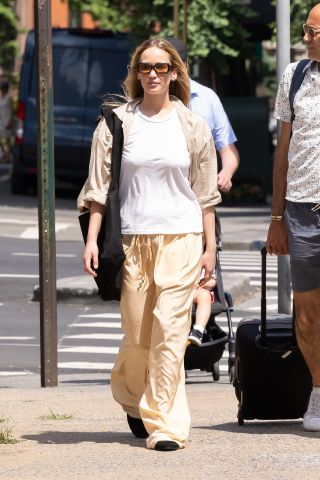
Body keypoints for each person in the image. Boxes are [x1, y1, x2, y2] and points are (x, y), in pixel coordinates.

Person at [77, 38, 221, 451]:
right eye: (145, 67)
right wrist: (92, 241)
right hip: (132, 240)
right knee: (138, 334)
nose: (153, 74)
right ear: (136, 73)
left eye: (161, 67)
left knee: (170, 331)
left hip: (183, 236)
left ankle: (166, 426)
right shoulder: (116, 123)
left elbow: (205, 194)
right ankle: (135, 396)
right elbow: (99, 189)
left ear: (175, 72)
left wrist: (210, 249)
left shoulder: (192, 125)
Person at [266, 4, 320, 432]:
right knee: (306, 313)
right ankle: (318, 395)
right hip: (302, 207)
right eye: (306, 30)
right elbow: (282, 151)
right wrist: (276, 216)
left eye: (317, 31)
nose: (310, 37)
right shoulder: (295, 75)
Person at [165, 37, 239, 192]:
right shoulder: (146, 99)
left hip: (200, 194)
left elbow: (227, 148)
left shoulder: (207, 97)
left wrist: (226, 173)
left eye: (173, 67)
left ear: (186, 65)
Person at [188, 269, 216, 346]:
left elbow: (212, 282)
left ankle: (198, 331)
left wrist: (200, 283)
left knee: (204, 296)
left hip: (198, 290)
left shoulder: (205, 263)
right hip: (178, 290)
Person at [0, 79, 13, 163]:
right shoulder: (1, 97)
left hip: (7, 120)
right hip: (1, 120)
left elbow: (12, 110)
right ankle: (5, 154)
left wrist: (10, 121)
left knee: (8, 140)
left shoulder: (9, 97)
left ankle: (7, 157)